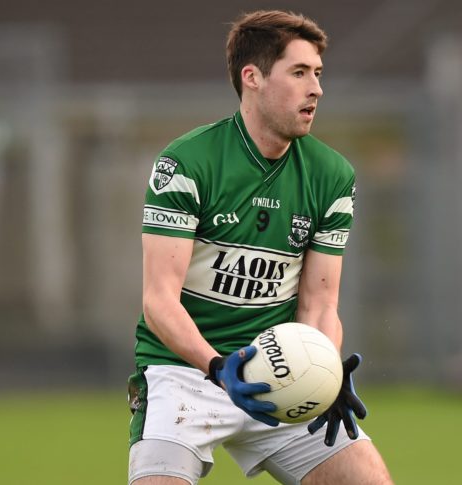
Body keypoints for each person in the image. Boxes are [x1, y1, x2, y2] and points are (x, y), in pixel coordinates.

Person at [128, 10, 393, 485]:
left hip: (279, 368)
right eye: (299, 73)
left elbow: (319, 303)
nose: (316, 89)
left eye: (318, 74)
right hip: (187, 370)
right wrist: (216, 365)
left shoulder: (332, 176)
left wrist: (325, 370)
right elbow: (158, 300)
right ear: (252, 77)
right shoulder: (187, 163)